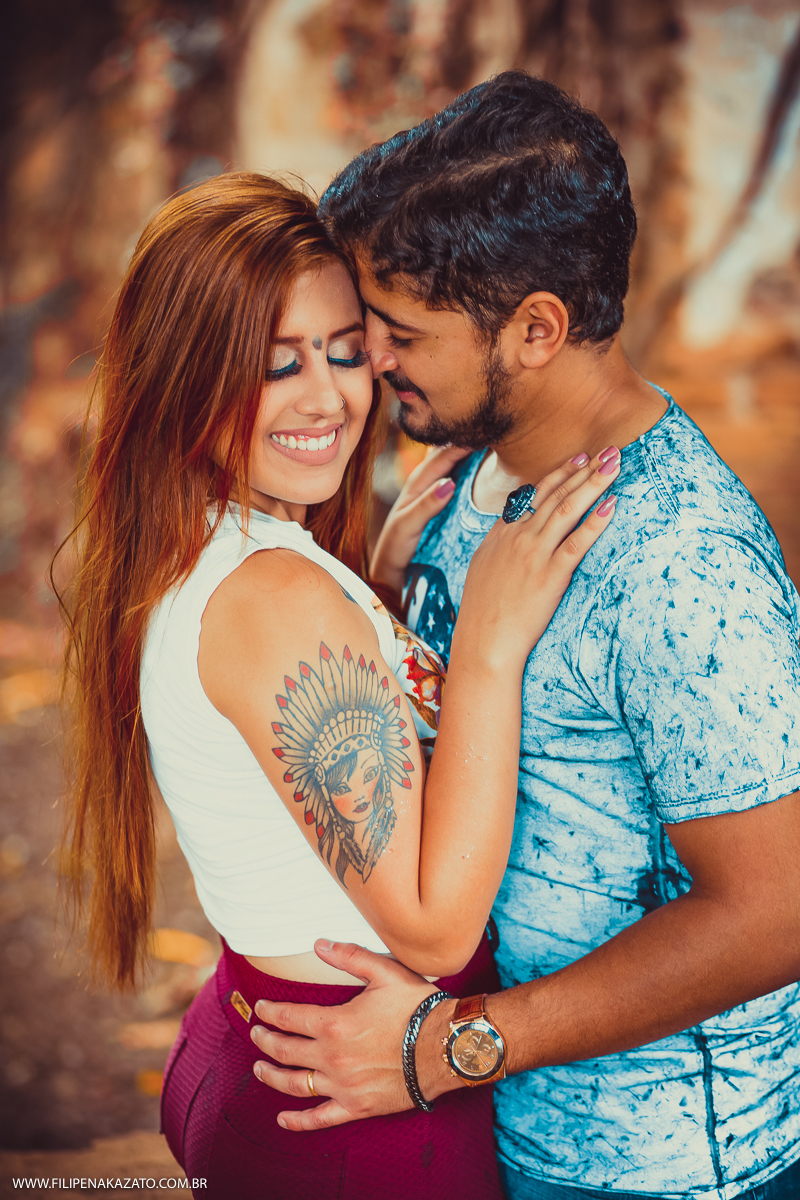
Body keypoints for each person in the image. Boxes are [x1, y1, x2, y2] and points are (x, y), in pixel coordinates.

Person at [248, 74, 800, 1200]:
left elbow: (775, 911)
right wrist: (384, 586)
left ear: (537, 328)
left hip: (653, 1168)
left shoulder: (679, 565)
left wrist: (451, 1048)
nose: (370, 361)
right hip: (493, 1129)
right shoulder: (470, 465)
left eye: (400, 333)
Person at [55, 171, 619, 1199]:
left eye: (345, 350)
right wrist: (487, 645)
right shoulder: (277, 597)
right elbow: (432, 926)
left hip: (256, 1042)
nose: (328, 396)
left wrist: (374, 593)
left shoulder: (199, 546)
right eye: (276, 365)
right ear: (183, 375)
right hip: (350, 1115)